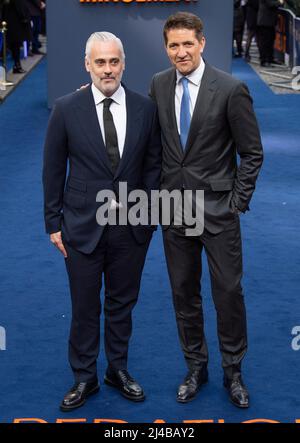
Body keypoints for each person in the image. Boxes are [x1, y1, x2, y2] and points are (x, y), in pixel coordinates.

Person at [43, 32, 161, 411]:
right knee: (83, 306)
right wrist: (53, 223)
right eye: (100, 62)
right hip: (81, 227)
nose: (107, 69)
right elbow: (52, 169)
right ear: (87, 65)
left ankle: (118, 369)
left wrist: (149, 217)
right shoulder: (66, 108)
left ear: (123, 64)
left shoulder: (146, 108)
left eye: (113, 62)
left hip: (131, 227)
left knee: (122, 304)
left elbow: (154, 165)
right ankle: (84, 376)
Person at [150, 12, 263, 408]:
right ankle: (196, 367)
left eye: (187, 43)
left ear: (202, 43)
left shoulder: (231, 90)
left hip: (217, 211)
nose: (180, 52)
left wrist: (237, 202)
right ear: (166, 48)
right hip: (173, 210)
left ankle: (234, 371)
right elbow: (152, 141)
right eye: (173, 45)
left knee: (228, 293)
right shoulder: (159, 85)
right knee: (184, 294)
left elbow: (251, 153)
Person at [2, 0, 31, 73]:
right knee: (15, 44)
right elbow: (20, 6)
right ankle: (17, 65)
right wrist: (25, 18)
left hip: (10, 21)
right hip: (16, 22)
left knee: (14, 44)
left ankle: (17, 65)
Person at [257, 0, 284, 66]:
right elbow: (271, 4)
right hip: (265, 22)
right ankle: (263, 61)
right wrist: (280, 2)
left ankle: (270, 59)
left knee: (271, 40)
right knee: (264, 42)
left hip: (270, 22)